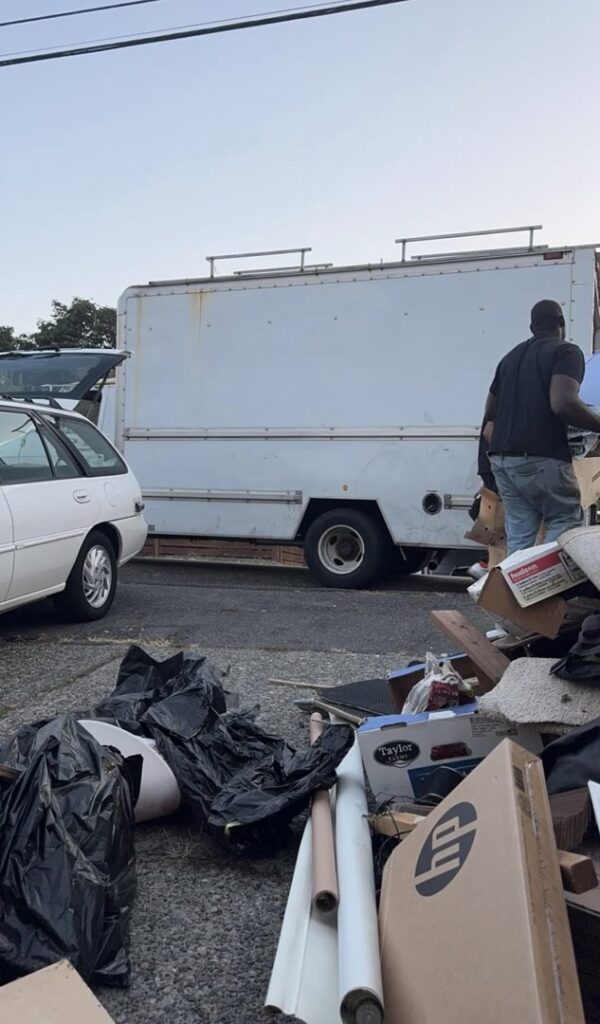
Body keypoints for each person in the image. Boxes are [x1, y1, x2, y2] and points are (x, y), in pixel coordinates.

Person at [482, 298, 600, 556]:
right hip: (540, 455)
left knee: (521, 534)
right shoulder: (566, 352)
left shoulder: (509, 358)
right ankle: (542, 585)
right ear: (561, 323)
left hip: (502, 459)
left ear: (531, 326)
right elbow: (563, 403)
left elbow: (490, 412)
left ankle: (515, 592)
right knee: (565, 518)